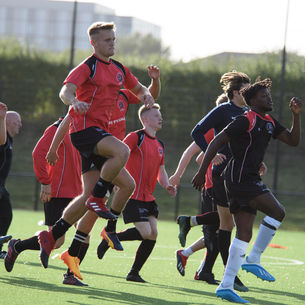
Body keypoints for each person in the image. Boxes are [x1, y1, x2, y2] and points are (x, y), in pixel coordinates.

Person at [7, 22, 155, 277]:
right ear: (94, 43)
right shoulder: (87, 67)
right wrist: (74, 100)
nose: (112, 43)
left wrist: (148, 95)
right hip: (86, 132)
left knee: (124, 186)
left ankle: (49, 237)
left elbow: (142, 90)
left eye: (113, 39)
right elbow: (65, 91)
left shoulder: (120, 70)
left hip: (100, 137)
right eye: (106, 40)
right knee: (122, 152)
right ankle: (100, 204)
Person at [46, 65, 161, 280]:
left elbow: (149, 96)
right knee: (95, 199)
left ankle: (74, 249)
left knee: (105, 196)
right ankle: (54, 242)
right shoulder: (91, 98)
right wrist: (53, 148)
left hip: (110, 156)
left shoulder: (124, 96)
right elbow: (68, 121)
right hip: (96, 150)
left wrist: (155, 81)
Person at [192, 78, 302, 303]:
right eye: (264, 96)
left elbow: (292, 140)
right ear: (251, 101)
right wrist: (203, 171)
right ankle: (253, 259)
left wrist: (297, 115)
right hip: (239, 179)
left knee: (243, 233)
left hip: (246, 179)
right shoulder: (245, 120)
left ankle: (226, 286)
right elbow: (215, 141)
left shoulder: (269, 121)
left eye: (269, 96)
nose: (269, 98)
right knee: (278, 211)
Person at [97, 103, 176, 283]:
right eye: (156, 115)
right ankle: (110, 237)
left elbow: (160, 171)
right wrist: (117, 179)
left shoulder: (160, 144)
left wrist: (167, 184)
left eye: (160, 115)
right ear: (145, 119)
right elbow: (118, 156)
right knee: (146, 232)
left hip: (149, 197)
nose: (160, 118)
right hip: (132, 195)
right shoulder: (135, 137)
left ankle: (134, 272)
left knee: (153, 234)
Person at [4, 117, 87, 286]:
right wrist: (45, 182)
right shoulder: (57, 127)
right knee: (57, 241)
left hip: (79, 194)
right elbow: (38, 153)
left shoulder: (85, 130)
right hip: (58, 192)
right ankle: (17, 246)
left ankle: (70, 275)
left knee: (84, 234)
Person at [191, 71, 251, 291]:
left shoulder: (247, 112)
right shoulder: (223, 110)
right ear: (235, 92)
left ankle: (228, 274)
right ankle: (230, 276)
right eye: (247, 89)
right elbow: (197, 132)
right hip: (222, 174)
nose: (251, 92)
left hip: (241, 174)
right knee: (228, 224)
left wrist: (256, 162)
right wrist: (211, 152)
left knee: (236, 224)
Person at [172, 94, 227, 284]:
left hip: (225, 185)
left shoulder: (234, 128)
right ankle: (188, 223)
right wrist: (178, 175)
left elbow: (199, 158)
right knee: (219, 230)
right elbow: (191, 152)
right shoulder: (216, 129)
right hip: (213, 187)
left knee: (220, 231)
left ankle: (190, 257)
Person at [0, 102, 22, 258]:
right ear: (6, 122)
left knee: (6, 214)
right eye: (16, 122)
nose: (20, 125)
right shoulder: (3, 136)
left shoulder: (9, 139)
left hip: (1, 185)